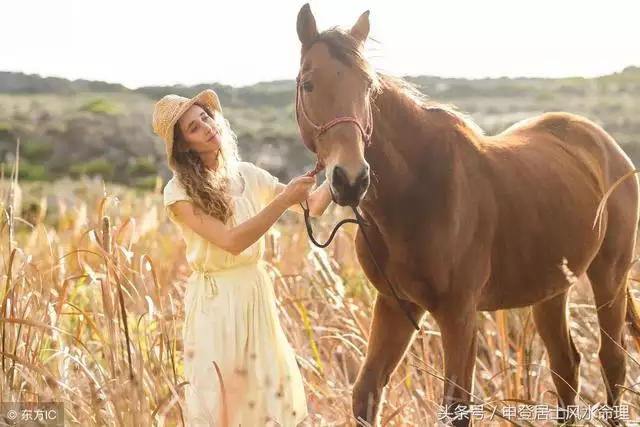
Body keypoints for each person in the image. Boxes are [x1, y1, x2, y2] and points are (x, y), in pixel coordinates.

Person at [152, 88, 332, 426]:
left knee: (264, 391)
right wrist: (281, 201)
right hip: (218, 301)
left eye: (206, 117)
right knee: (221, 397)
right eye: (194, 127)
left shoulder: (247, 174)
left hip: (255, 294)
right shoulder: (179, 192)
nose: (206, 126)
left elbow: (314, 206)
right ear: (184, 146)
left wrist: (337, 170)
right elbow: (231, 242)